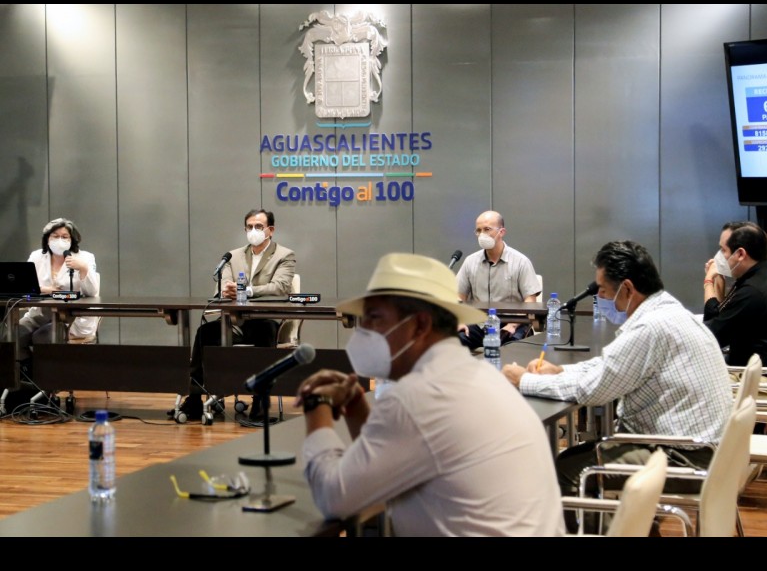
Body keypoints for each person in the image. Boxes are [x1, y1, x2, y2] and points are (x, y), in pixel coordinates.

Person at [294, 253, 564, 537]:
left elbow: (334, 498)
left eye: (374, 318)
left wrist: (317, 403)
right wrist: (355, 405)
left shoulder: (418, 396)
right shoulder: (480, 376)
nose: (362, 331)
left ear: (420, 325)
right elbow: (383, 462)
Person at [501, 240, 732, 533]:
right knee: (578, 457)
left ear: (627, 288)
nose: (599, 297)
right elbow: (609, 367)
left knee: (569, 470)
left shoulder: (649, 327)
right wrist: (559, 371)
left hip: (685, 458)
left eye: (603, 290)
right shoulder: (668, 311)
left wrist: (524, 380)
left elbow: (594, 389)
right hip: (704, 450)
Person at [175, 209, 296, 420]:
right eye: (249, 227)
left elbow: (280, 287)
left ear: (271, 230)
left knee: (266, 331)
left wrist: (247, 291)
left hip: (264, 321)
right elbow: (224, 284)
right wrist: (226, 290)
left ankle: (260, 404)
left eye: (258, 226)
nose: (253, 231)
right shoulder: (232, 256)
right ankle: (194, 399)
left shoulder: (284, 255)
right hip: (233, 322)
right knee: (205, 332)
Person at [703, 221, 767, 374]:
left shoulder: (755, 290)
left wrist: (708, 282)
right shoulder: (762, 278)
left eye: (723, 250)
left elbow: (711, 336)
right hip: (761, 372)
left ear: (741, 254)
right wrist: (718, 282)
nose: (718, 256)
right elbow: (721, 318)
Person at [18, 218, 101, 367]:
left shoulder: (85, 258)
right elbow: (26, 285)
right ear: (47, 239)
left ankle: (48, 378)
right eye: (55, 236)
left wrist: (83, 269)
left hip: (72, 317)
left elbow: (92, 292)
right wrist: (46, 290)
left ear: (72, 239)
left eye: (64, 236)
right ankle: (28, 374)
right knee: (11, 336)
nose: (60, 240)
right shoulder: (36, 257)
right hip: (40, 314)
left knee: (43, 337)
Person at [456, 210, 541, 349]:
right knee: (452, 340)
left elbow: (530, 301)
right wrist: (460, 320)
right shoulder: (470, 261)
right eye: (478, 230)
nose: (482, 235)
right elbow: (459, 297)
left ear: (501, 232)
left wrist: (512, 325)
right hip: (480, 324)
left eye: (487, 229)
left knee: (512, 348)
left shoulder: (521, 262)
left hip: (512, 323)